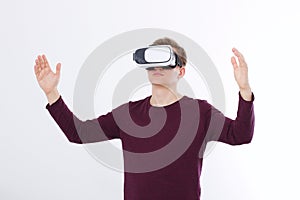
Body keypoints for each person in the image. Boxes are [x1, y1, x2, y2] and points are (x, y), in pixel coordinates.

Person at [34, 37, 254, 200]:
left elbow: (240, 135)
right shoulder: (128, 114)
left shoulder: (199, 112)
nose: (157, 67)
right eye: (152, 60)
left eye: (166, 60)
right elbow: (78, 133)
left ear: (181, 71)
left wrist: (244, 90)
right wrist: (52, 93)